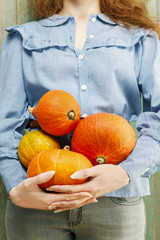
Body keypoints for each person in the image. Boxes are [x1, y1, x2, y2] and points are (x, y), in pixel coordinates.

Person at [0, 0, 160, 239]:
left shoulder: (141, 38)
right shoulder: (22, 38)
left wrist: (125, 172)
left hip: (116, 200)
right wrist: (15, 185)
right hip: (36, 201)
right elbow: (5, 120)